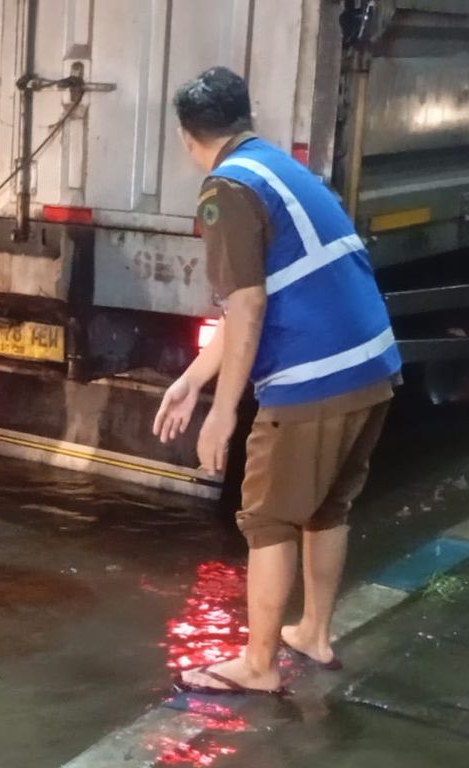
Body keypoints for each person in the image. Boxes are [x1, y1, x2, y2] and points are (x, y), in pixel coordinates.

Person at [155, 67, 401, 695]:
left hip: (313, 374)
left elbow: (248, 307)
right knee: (325, 507)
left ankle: (258, 666)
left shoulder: (228, 188)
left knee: (267, 520)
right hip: (368, 363)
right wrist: (191, 378)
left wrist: (223, 411)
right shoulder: (277, 166)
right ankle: (313, 633)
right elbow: (266, 299)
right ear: (246, 116)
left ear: (188, 137)